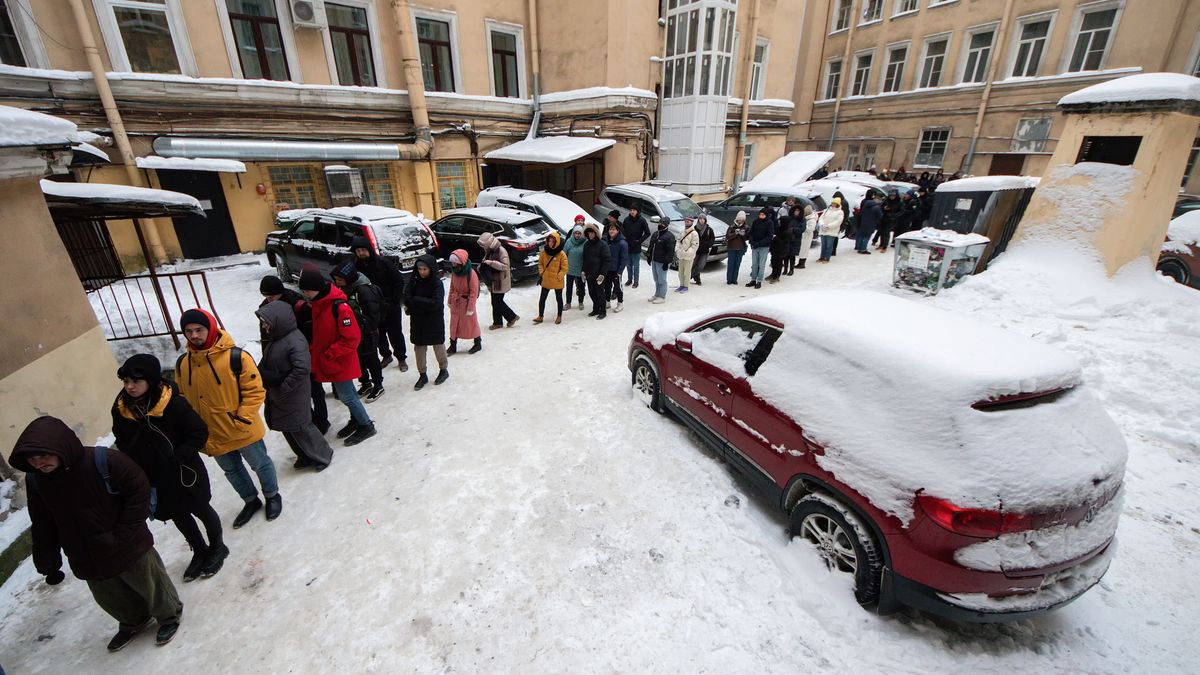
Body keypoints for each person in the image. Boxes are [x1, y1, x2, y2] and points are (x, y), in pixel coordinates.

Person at [12, 416, 184, 651]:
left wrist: (123, 534)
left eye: (43, 455)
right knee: (110, 596)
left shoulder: (102, 460)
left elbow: (138, 491)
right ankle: (133, 621)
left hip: (127, 543)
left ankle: (169, 615)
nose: (39, 463)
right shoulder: (36, 482)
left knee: (150, 583)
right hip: (84, 552)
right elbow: (43, 523)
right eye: (32, 460)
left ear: (59, 446)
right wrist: (48, 562)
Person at [111, 354, 226, 583]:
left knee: (201, 508)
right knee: (177, 515)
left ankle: (217, 547)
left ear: (151, 381)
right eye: (125, 382)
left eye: (135, 382)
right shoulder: (121, 410)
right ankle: (199, 550)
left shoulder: (173, 403)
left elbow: (198, 432)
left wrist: (178, 456)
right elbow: (121, 440)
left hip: (184, 472)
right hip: (155, 477)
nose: (130, 387)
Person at [176, 308, 281, 527]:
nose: (194, 335)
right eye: (188, 331)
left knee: (260, 464)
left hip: (241, 428)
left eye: (199, 329)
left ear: (211, 328)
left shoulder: (237, 357)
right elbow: (183, 397)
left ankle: (272, 495)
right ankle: (250, 500)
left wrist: (241, 419)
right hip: (212, 433)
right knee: (231, 470)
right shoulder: (183, 364)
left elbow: (255, 391)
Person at [298, 268, 377, 447]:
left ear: (317, 288)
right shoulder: (319, 304)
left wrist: (329, 353)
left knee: (348, 396)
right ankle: (357, 420)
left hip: (340, 360)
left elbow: (351, 338)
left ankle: (366, 424)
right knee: (345, 395)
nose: (305, 295)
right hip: (330, 360)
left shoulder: (339, 307)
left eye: (307, 291)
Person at [255, 300, 334, 472]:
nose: (264, 325)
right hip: (281, 393)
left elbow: (302, 369)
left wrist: (284, 387)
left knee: (301, 426)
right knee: (287, 426)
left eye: (266, 321)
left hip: (292, 392)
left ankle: (323, 455)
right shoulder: (276, 338)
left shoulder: (294, 340)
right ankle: (304, 455)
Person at [259, 275, 327, 435]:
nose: (269, 300)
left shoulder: (298, 305)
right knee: (296, 396)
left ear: (280, 292)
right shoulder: (266, 308)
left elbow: (313, 332)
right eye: (266, 297)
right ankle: (308, 421)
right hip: (282, 360)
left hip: (303, 355)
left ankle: (322, 422)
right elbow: (265, 335)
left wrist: (307, 351)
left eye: (272, 296)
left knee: (315, 390)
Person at [350, 236, 408, 373]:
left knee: (395, 333)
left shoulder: (383, 263)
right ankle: (386, 355)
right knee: (378, 334)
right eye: (358, 251)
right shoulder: (357, 266)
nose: (361, 253)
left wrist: (394, 301)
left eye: (363, 250)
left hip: (390, 305)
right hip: (371, 308)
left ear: (369, 249)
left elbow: (398, 282)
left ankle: (401, 358)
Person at [331, 260, 386, 402]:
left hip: (367, 332)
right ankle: (365, 383)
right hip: (354, 333)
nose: (337, 283)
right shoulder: (345, 289)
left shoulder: (363, 290)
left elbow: (372, 315)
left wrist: (361, 325)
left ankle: (378, 385)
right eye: (336, 280)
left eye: (340, 280)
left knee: (371, 359)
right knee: (359, 359)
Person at [404, 254, 449, 388]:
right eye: (420, 269)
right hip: (418, 321)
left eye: (425, 269)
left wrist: (416, 301)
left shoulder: (436, 283)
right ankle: (422, 374)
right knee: (419, 348)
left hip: (433, 321)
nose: (422, 272)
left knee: (438, 346)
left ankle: (443, 369)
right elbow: (407, 297)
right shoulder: (414, 281)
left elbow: (435, 303)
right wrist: (418, 303)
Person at [480, 231, 518, 329]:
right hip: (493, 280)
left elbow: (505, 266)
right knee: (495, 301)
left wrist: (491, 263)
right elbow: (485, 262)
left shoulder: (501, 251)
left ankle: (511, 317)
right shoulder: (489, 251)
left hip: (501, 281)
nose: (483, 248)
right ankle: (498, 322)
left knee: (497, 302)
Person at [447, 249, 482, 353]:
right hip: (456, 303)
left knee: (471, 324)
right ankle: (453, 345)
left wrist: (470, 307)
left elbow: (473, 292)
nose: (453, 264)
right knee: (454, 324)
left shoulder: (471, 273)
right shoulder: (455, 272)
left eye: (455, 262)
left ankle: (477, 343)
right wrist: (450, 300)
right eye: (452, 262)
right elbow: (452, 287)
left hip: (466, 303)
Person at [536, 231, 568, 324]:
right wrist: (542, 273)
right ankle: (540, 316)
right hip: (546, 279)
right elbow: (540, 264)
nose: (550, 243)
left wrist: (559, 276)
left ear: (556, 242)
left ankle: (559, 316)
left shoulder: (561, 254)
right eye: (549, 241)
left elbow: (565, 268)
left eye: (552, 241)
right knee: (542, 299)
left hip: (557, 280)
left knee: (559, 299)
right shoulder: (543, 252)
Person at [581, 222, 611, 318]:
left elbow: (607, 260)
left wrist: (602, 274)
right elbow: (584, 259)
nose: (590, 235)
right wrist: (583, 271)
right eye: (589, 233)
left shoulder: (603, 245)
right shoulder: (586, 245)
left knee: (600, 293)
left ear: (596, 233)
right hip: (590, 274)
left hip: (599, 275)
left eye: (592, 233)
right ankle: (596, 308)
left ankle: (603, 311)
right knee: (591, 292)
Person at [645, 218, 674, 303]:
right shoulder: (655, 234)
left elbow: (670, 251)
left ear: (667, 225)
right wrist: (649, 256)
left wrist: (667, 262)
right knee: (656, 279)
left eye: (663, 224)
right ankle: (657, 294)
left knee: (662, 279)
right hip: (654, 260)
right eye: (660, 223)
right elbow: (651, 246)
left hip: (662, 262)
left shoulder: (669, 236)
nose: (661, 225)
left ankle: (662, 296)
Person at [621, 206, 650, 288]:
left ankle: (636, 281)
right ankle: (629, 279)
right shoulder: (627, 219)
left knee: (636, 265)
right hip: (627, 244)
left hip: (636, 245)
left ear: (637, 211)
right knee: (628, 264)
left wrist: (639, 241)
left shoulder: (642, 220)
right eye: (631, 210)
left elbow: (647, 232)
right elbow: (622, 230)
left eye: (634, 210)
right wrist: (625, 238)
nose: (632, 212)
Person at [563, 220, 587, 310]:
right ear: (573, 233)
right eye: (576, 233)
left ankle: (581, 302)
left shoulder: (585, 242)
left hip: (581, 269)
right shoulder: (569, 241)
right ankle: (568, 303)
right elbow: (564, 254)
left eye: (579, 233)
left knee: (581, 287)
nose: (577, 235)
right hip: (570, 269)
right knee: (569, 287)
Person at [747, 209, 775, 288]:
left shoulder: (769, 223)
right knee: (754, 264)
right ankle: (753, 279)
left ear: (766, 215)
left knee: (761, 265)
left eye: (763, 215)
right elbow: (751, 232)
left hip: (764, 247)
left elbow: (769, 236)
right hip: (755, 246)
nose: (761, 216)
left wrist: (759, 243)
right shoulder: (756, 222)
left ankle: (759, 281)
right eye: (760, 214)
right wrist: (752, 241)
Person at [604, 223, 628, 311]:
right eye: (610, 229)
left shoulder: (622, 243)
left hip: (616, 270)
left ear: (618, 231)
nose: (611, 231)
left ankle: (620, 303)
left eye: (614, 229)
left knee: (617, 287)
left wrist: (620, 271)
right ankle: (607, 302)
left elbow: (624, 259)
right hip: (607, 269)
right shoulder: (606, 241)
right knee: (607, 286)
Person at [767, 206, 795, 283]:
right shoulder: (779, 228)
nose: (779, 222)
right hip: (775, 248)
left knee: (778, 263)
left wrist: (776, 238)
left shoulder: (788, 231)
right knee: (773, 262)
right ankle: (773, 274)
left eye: (780, 221)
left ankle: (776, 276)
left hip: (781, 250)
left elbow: (784, 241)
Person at [675, 217, 699, 293]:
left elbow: (694, 245)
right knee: (680, 272)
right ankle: (681, 285)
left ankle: (686, 286)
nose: (687, 222)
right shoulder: (682, 232)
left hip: (688, 256)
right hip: (681, 255)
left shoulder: (694, 233)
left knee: (687, 272)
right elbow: (678, 241)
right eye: (686, 221)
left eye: (688, 221)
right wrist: (677, 250)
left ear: (692, 222)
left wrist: (688, 252)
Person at [817, 197, 845, 262]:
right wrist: (822, 224)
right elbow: (821, 218)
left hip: (831, 231)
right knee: (823, 245)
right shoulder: (827, 210)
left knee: (829, 245)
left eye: (835, 203)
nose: (833, 204)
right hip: (823, 230)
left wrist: (828, 226)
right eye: (832, 203)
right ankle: (822, 257)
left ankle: (827, 258)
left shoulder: (840, 212)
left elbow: (838, 221)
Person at [691, 214, 714, 286]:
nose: (702, 220)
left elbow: (712, 238)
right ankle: (697, 279)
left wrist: (708, 244)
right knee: (694, 265)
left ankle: (689, 276)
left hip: (704, 250)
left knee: (701, 265)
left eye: (703, 219)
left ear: (705, 220)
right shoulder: (694, 228)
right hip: (696, 250)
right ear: (698, 220)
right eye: (700, 219)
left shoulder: (709, 229)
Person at [725, 210, 747, 285]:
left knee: (737, 264)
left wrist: (743, 235)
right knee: (731, 264)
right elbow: (728, 236)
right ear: (737, 219)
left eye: (742, 219)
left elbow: (747, 237)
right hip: (732, 248)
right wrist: (735, 233)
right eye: (739, 219)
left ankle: (734, 279)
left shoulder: (746, 227)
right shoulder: (731, 226)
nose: (740, 221)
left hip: (740, 248)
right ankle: (729, 279)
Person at [794, 204, 816, 272]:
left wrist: (803, 228)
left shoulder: (812, 219)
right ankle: (800, 263)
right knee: (802, 250)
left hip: (807, 236)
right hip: (803, 236)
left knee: (804, 250)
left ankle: (802, 264)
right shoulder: (805, 218)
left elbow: (811, 228)